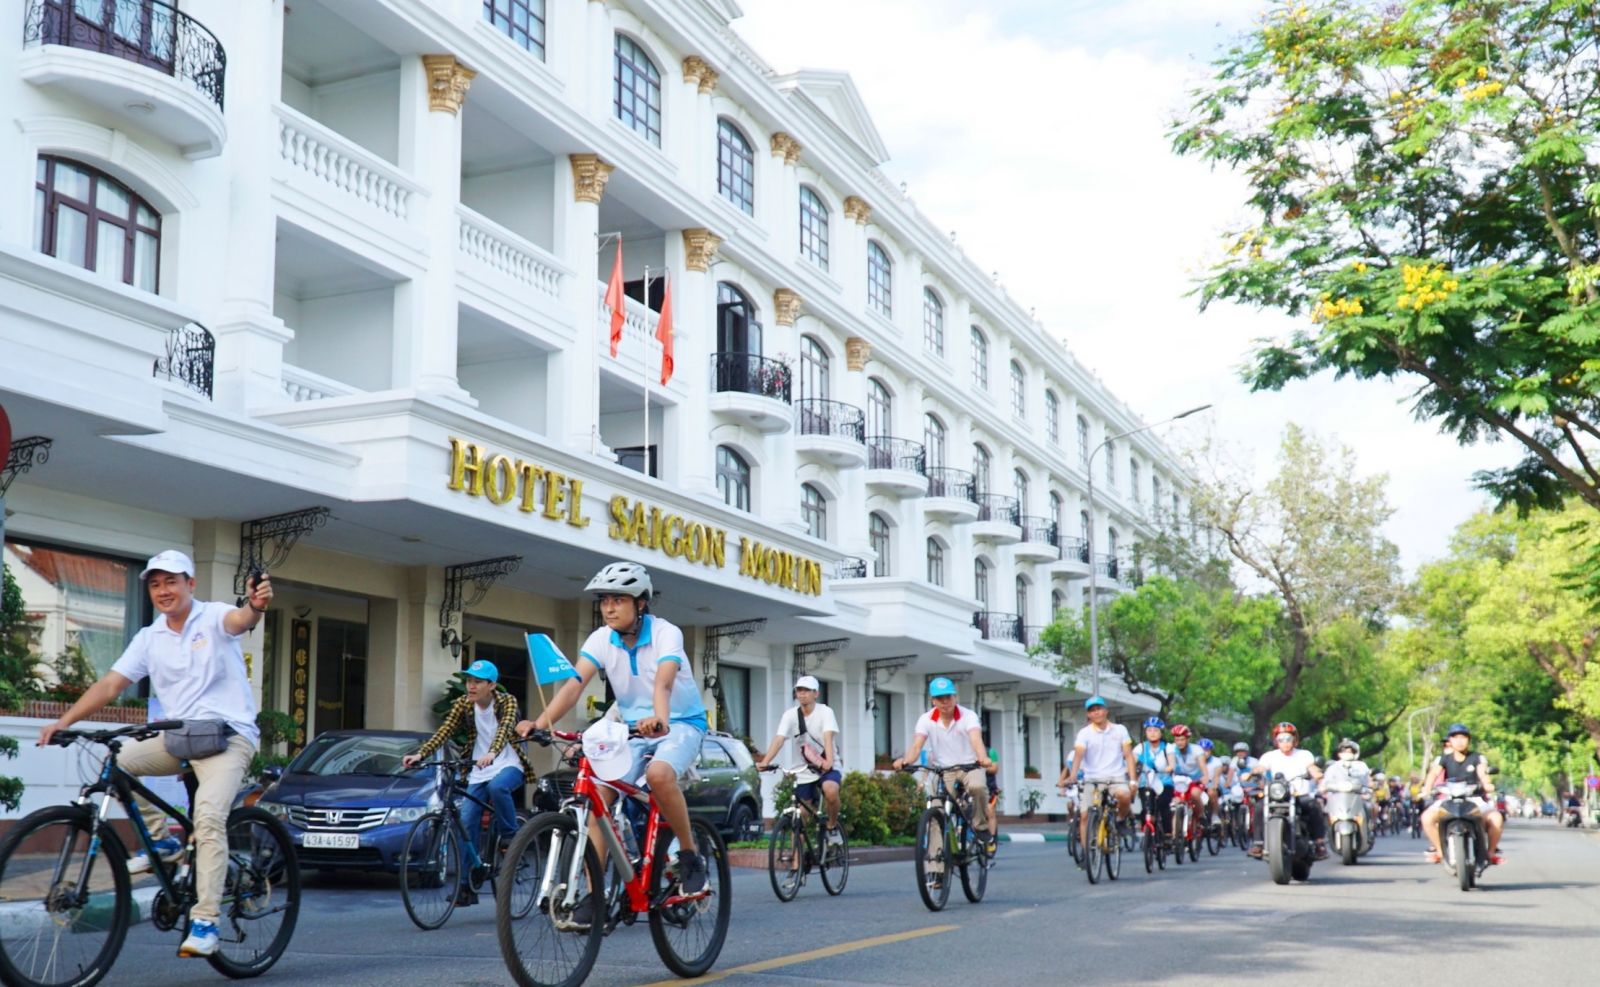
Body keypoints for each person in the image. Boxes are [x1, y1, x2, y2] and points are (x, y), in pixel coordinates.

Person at [37, 551, 267, 958]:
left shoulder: (212, 616)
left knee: (209, 817)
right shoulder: (149, 637)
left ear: (190, 585)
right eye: (155, 584)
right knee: (120, 761)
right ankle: (161, 843)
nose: (163, 591)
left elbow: (241, 620)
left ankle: (206, 921)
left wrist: (255, 606)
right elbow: (110, 685)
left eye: (172, 582)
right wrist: (64, 720)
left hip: (228, 737)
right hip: (179, 738)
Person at [516, 561, 711, 926]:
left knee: (658, 774)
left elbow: (663, 682)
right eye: (605, 599)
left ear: (640, 604)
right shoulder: (601, 639)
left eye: (619, 599)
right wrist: (539, 724)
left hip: (680, 722)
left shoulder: (667, 633)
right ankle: (596, 895)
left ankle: (688, 853)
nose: (608, 607)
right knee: (597, 799)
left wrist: (660, 717)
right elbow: (574, 685)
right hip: (631, 728)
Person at [402, 658, 530, 906]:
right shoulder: (464, 704)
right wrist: (420, 755)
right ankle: (466, 886)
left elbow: (504, 729)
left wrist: (492, 752)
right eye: (469, 681)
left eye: (477, 682)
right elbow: (444, 731)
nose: (471, 686)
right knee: (467, 822)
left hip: (509, 763)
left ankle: (509, 836)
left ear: (492, 685)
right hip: (478, 768)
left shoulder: (507, 701)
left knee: (498, 787)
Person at [892, 677, 997, 848]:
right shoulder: (925, 719)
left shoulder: (968, 716)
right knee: (935, 811)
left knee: (977, 787)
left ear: (955, 697)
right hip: (943, 770)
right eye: (940, 698)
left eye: (948, 697)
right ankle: (935, 865)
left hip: (969, 766)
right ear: (933, 701)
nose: (945, 702)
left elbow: (976, 739)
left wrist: (983, 758)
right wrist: (905, 761)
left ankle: (980, 826)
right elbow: (917, 746)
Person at [755, 675, 844, 846]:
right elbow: (779, 739)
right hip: (804, 769)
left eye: (806, 690)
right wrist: (765, 761)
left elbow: (828, 736)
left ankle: (832, 826)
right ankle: (797, 864)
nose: (802, 694)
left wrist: (829, 762)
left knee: (830, 790)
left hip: (827, 765)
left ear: (815, 694)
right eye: (799, 690)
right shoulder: (790, 716)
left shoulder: (825, 712)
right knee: (801, 815)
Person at [1063, 696, 1138, 859]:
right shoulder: (1085, 733)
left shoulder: (1120, 730)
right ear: (1088, 715)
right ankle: (1085, 852)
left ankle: (1120, 820)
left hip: (1116, 777)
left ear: (1106, 710)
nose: (1096, 712)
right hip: (1092, 779)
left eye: (1099, 709)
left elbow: (1128, 755)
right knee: (1084, 816)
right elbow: (1078, 755)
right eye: (1092, 710)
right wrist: (1073, 775)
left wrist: (1132, 780)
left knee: (1125, 796)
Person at [1419, 723, 1503, 864]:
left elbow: (1483, 774)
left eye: (1463, 737)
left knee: (1496, 818)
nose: (1459, 741)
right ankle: (1440, 851)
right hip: (1450, 798)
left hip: (1474, 799)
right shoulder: (1443, 758)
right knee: (1426, 818)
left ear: (1469, 740)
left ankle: (1491, 852)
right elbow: (1433, 773)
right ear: (1450, 741)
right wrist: (1427, 788)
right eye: (1455, 737)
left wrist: (1487, 784)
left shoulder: (1477, 757)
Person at [1245, 721, 1327, 860]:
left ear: (1295, 739)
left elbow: (1312, 768)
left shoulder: (1304, 754)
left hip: (1299, 794)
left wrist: (1317, 774)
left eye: (1288, 738)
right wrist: (1251, 773)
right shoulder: (1270, 756)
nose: (1285, 742)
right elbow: (1261, 767)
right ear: (1276, 740)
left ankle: (1319, 843)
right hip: (1277, 795)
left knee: (1314, 806)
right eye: (1281, 739)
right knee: (1259, 807)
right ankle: (1258, 843)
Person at [1133, 717, 1175, 844]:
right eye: (1149, 730)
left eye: (1155, 730)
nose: (1152, 733)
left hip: (1164, 783)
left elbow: (1172, 765)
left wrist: (1166, 768)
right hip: (1146, 783)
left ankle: (1167, 834)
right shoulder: (1140, 748)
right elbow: (1132, 763)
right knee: (1146, 808)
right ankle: (1148, 834)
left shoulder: (1168, 747)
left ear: (1161, 733)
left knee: (1163, 805)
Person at [1168, 724, 1208, 844]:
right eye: (1177, 740)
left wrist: (1205, 778)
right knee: (1176, 804)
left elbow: (1202, 767)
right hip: (1179, 780)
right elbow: (1171, 766)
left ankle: (1201, 816)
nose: (1179, 742)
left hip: (1195, 780)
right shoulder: (1171, 749)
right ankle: (1175, 835)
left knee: (1195, 795)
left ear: (1187, 739)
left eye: (1182, 739)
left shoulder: (1197, 750)